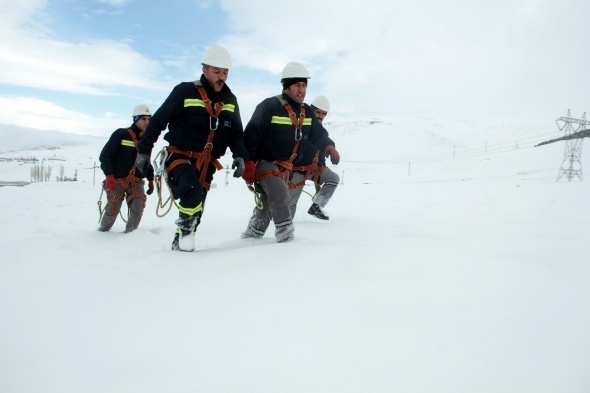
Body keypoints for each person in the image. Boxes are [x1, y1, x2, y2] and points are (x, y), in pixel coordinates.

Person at [135, 45, 248, 252]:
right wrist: (144, 150)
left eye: (225, 72)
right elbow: (158, 121)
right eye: (217, 71)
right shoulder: (184, 91)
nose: (221, 76)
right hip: (180, 156)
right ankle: (186, 235)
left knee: (198, 207)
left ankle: (181, 244)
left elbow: (237, 134)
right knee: (193, 191)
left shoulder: (231, 101)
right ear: (204, 69)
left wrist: (241, 156)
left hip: (208, 163)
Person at [241, 62, 340, 242]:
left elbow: (318, 134)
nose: (301, 90)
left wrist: (328, 145)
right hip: (265, 163)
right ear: (286, 87)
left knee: (266, 206)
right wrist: (248, 162)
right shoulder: (269, 106)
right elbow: (251, 135)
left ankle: (251, 237)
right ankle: (287, 240)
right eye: (297, 85)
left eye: (304, 85)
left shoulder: (307, 111)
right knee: (281, 194)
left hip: (287, 167)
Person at [98, 104, 155, 233]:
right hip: (116, 179)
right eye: (143, 119)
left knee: (138, 206)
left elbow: (145, 161)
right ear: (135, 119)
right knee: (113, 207)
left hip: (135, 180)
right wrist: (109, 175)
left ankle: (130, 234)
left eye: (149, 119)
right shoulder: (121, 134)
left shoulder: (146, 140)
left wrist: (151, 179)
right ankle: (102, 231)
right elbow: (105, 155)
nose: (147, 122)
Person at [288, 95, 340, 220]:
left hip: (314, 168)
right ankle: (284, 226)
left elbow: (320, 149)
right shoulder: (299, 126)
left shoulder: (322, 132)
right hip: (297, 170)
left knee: (333, 178)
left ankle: (317, 206)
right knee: (291, 203)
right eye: (317, 112)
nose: (320, 116)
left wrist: (325, 158)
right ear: (311, 111)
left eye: (323, 114)